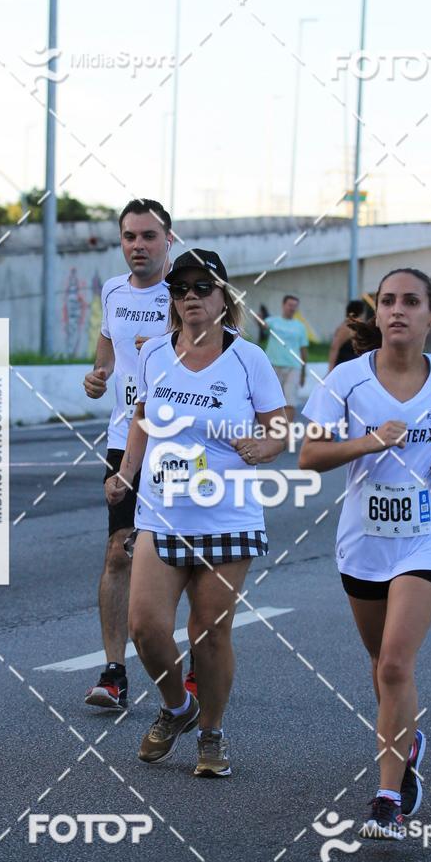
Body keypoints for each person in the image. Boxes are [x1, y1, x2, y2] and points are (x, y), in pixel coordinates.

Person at [299, 268, 431, 839]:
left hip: (428, 539)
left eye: (411, 302)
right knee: (380, 666)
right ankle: (409, 740)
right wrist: (371, 440)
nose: (398, 309)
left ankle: (387, 797)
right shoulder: (347, 381)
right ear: (378, 316)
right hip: (364, 544)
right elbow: (310, 457)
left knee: (397, 662)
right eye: (388, 301)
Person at [105, 248, 287, 776]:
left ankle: (211, 733)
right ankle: (177, 708)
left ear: (223, 298)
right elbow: (142, 416)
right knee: (145, 627)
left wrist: (263, 445)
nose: (190, 298)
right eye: (180, 290)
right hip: (162, 511)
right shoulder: (156, 352)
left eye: (201, 289)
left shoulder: (247, 358)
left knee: (209, 630)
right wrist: (126, 473)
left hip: (226, 515)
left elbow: (278, 424)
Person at [82, 198, 195, 710]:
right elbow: (109, 346)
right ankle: (114, 672)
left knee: (191, 554)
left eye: (149, 236)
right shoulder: (112, 290)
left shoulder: (188, 292)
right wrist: (99, 374)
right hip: (125, 437)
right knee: (117, 551)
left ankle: (198, 667)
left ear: (168, 239)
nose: (138, 246)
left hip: (181, 441)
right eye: (130, 236)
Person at [264, 295, 309, 422]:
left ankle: (286, 432)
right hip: (273, 366)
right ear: (283, 305)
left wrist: (303, 373)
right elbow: (262, 326)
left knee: (290, 401)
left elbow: (303, 349)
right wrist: (260, 318)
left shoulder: (300, 327)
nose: (292, 308)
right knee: (271, 401)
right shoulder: (272, 321)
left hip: (293, 367)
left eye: (295, 306)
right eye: (290, 305)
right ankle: (272, 430)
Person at [327, 299, 366, 372]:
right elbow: (334, 348)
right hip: (343, 369)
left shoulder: (357, 328)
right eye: (363, 312)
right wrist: (330, 371)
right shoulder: (346, 328)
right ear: (360, 313)